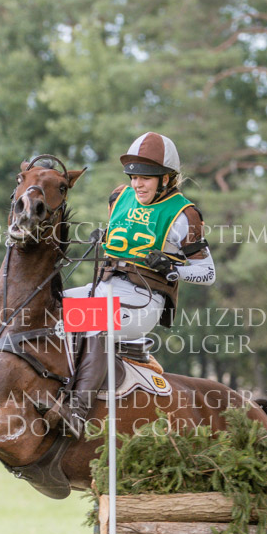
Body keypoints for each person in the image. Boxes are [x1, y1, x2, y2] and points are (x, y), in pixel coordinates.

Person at [45, 131, 216, 438]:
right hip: (104, 287)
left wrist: (173, 268)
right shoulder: (119, 197)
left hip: (144, 301)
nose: (137, 184)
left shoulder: (184, 214)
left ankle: (77, 411)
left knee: (92, 321)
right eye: (134, 177)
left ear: (166, 179)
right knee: (45, 307)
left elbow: (207, 273)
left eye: (146, 178)